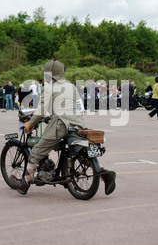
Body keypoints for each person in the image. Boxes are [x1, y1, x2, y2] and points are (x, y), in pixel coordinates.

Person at [10, 59, 116, 196]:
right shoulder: (71, 86)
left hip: (59, 124)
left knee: (37, 150)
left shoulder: (49, 87)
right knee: (79, 153)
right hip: (77, 123)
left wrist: (30, 124)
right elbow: (80, 107)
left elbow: (41, 111)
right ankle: (104, 174)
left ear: (50, 74)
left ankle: (24, 182)